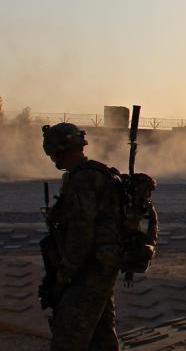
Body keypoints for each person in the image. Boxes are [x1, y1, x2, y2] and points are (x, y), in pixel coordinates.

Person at [40, 123, 124, 351]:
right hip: (100, 267)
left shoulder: (83, 179)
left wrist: (64, 273)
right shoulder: (97, 174)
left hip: (87, 271)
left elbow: (81, 230)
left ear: (60, 150)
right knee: (102, 339)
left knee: (67, 341)